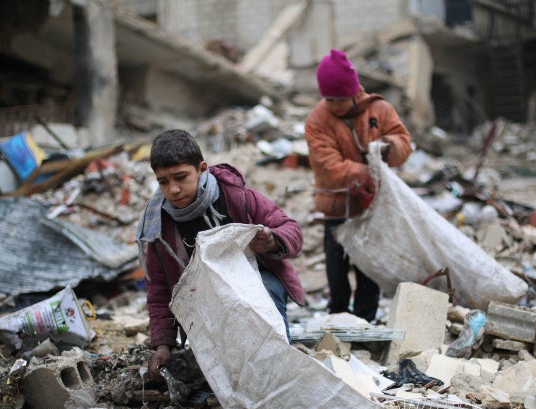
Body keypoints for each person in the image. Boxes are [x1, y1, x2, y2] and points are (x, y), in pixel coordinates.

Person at [136, 129, 306, 380]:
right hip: (205, 300)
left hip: (258, 286)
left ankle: (280, 372)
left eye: (181, 177)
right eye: (163, 181)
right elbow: (159, 289)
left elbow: (291, 229)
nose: (173, 189)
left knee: (267, 300)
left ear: (202, 169)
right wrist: (163, 345)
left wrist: (271, 240)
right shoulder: (159, 226)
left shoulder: (237, 198)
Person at [304, 49, 412, 321]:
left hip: (373, 204)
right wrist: (368, 172)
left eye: (339, 99)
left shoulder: (380, 110)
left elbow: (403, 141)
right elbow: (328, 167)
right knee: (336, 264)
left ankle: (366, 318)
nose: (334, 105)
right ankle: (338, 315)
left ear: (353, 91)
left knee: (369, 264)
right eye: (328, 98)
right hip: (337, 203)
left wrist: (389, 149)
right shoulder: (318, 120)